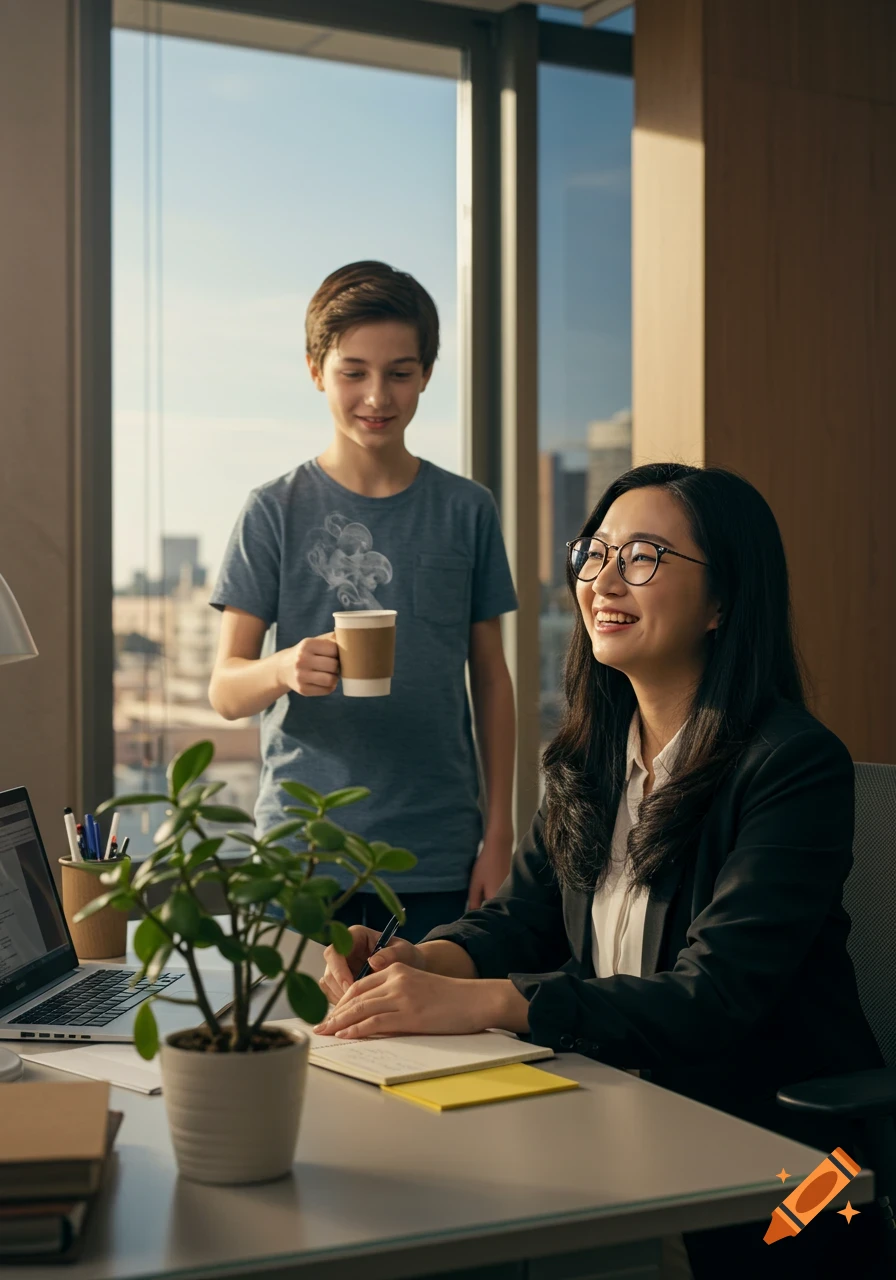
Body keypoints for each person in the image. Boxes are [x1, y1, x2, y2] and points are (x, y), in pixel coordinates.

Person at [317, 462, 887, 1279]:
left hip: (801, 1173)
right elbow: (520, 917)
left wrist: (476, 1001)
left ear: (723, 601)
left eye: (644, 556)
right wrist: (420, 963)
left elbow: (712, 999)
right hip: (626, 1120)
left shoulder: (791, 766)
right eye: (596, 551)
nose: (604, 579)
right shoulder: (589, 760)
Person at [209, 261, 518, 943]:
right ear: (317, 369)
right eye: (353, 372)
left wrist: (500, 834)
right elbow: (227, 689)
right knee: (301, 1045)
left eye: (400, 373)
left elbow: (491, 678)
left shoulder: (467, 510)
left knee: (439, 1047)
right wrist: (283, 668)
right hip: (301, 858)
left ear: (427, 375)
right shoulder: (273, 511)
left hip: (440, 856)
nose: (377, 396)